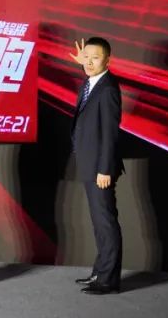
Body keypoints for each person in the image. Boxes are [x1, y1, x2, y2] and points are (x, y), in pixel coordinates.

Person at [69, 37, 124, 294]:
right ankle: (100, 272)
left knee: (105, 223)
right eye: (86, 57)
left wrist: (105, 169)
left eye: (96, 57)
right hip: (89, 164)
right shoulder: (90, 82)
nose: (89, 62)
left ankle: (108, 280)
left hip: (100, 169)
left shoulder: (108, 88)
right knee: (99, 223)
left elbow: (111, 134)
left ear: (108, 60)